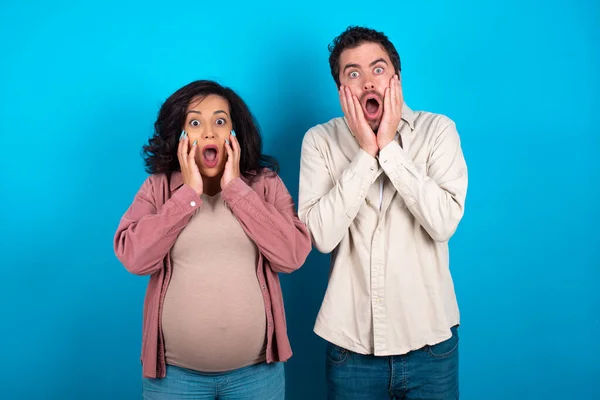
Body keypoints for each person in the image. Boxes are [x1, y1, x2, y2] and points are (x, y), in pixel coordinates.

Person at [298, 26, 468, 399]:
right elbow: (320, 238)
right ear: (340, 89)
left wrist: (388, 148)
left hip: (431, 347)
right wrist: (364, 153)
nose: (367, 83)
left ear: (396, 78)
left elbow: (442, 223)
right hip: (351, 351)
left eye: (378, 69)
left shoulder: (438, 131)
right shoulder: (320, 141)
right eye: (353, 74)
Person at [114, 80, 311, 400]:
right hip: (174, 379)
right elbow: (134, 258)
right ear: (180, 136)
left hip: (257, 375)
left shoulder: (265, 184)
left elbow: (292, 256)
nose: (208, 132)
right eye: (195, 122)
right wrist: (187, 194)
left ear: (235, 133)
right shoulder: (158, 188)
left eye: (220, 121)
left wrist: (236, 189)